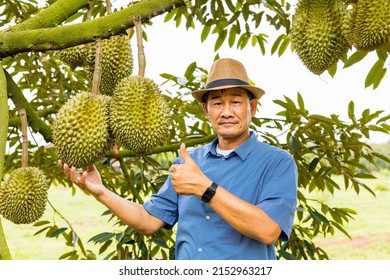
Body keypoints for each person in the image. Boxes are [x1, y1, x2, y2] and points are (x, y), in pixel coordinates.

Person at [61, 58, 298, 260]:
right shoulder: (188, 163)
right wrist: (101, 192)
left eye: (236, 102)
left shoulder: (277, 162)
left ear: (252, 107)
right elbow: (149, 220)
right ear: (207, 111)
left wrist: (204, 188)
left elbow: (268, 230)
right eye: (217, 103)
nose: (226, 112)